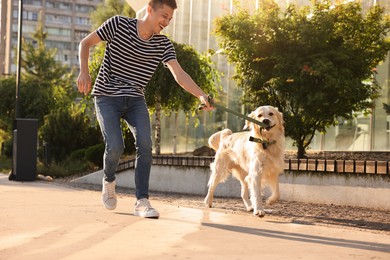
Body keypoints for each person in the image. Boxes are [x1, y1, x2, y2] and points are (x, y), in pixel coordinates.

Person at [76, 0, 213, 218]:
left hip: (135, 99)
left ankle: (142, 201)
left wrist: (201, 95)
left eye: (170, 18)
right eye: (164, 16)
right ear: (150, 9)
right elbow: (85, 43)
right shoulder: (118, 24)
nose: (166, 22)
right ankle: (109, 180)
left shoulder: (163, 44)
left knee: (145, 145)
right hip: (107, 96)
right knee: (115, 147)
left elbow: (179, 74)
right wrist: (84, 71)